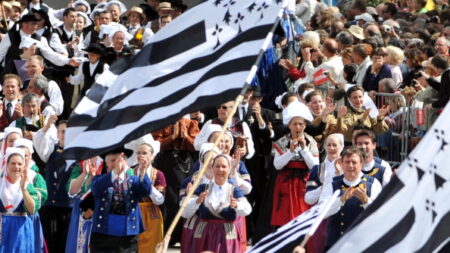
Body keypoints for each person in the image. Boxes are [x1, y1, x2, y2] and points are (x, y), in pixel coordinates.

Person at [183, 154, 252, 253]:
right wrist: (197, 201)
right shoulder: (202, 188)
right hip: (204, 234)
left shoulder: (234, 190)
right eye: (217, 166)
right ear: (212, 168)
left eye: (224, 166)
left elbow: (247, 209)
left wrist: (237, 205)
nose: (220, 169)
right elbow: (185, 211)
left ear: (229, 169)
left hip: (226, 236)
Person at [89, 147, 152, 252]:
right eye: (113, 160)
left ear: (125, 162)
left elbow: (145, 190)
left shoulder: (133, 180)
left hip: (127, 236)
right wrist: (115, 174)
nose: (117, 163)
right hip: (103, 234)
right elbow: (96, 190)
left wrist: (143, 171)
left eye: (120, 160)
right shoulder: (99, 179)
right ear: (107, 163)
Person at [319, 147, 382, 248]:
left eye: (354, 162)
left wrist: (366, 201)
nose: (350, 166)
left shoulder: (373, 184)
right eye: (347, 162)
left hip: (362, 244)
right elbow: (321, 213)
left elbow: (379, 213)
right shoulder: (332, 184)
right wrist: (340, 200)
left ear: (361, 164)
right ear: (341, 164)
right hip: (336, 243)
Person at [271, 101, 319, 227]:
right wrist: (290, 152)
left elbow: (315, 166)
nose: (298, 127)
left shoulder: (311, 141)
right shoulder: (282, 142)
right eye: (295, 124)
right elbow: (277, 165)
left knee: (304, 212)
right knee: (285, 215)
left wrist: (304, 150)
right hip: (286, 181)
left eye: (301, 124)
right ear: (289, 125)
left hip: (305, 180)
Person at [33, 118, 75, 253]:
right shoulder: (50, 151)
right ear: (57, 134)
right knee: (50, 246)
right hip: (51, 208)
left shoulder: (79, 153)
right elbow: (39, 141)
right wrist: (46, 126)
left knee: (67, 246)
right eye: (62, 132)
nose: (65, 135)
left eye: (68, 132)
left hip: (70, 208)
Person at [0, 147, 40, 252]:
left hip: (21, 231)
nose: (16, 167)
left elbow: (32, 210)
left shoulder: (28, 185)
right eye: (13, 163)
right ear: (6, 164)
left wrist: (23, 189)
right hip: (2, 228)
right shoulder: (0, 184)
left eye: (19, 164)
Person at [14, 137, 48, 252]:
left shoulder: (35, 176)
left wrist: (27, 188)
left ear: (31, 156)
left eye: (26, 155)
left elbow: (41, 198)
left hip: (29, 218)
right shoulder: (4, 175)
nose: (23, 158)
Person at [134, 141, 167, 253]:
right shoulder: (130, 172)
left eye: (144, 153)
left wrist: (145, 180)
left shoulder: (158, 174)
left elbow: (160, 200)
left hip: (151, 214)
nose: (141, 155)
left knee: (152, 246)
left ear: (152, 157)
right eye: (139, 153)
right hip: (134, 213)